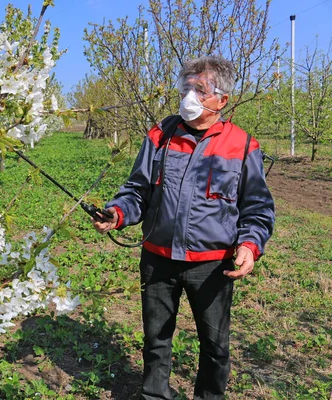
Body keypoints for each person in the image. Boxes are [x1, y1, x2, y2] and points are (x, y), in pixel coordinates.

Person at [93, 56, 275, 400]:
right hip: (158, 258)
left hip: (212, 266)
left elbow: (257, 207)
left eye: (200, 90)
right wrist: (117, 214)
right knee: (156, 339)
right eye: (186, 88)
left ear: (222, 100)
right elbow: (137, 190)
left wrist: (250, 245)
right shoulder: (160, 136)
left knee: (215, 344)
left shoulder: (242, 145)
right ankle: (154, 395)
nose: (189, 96)